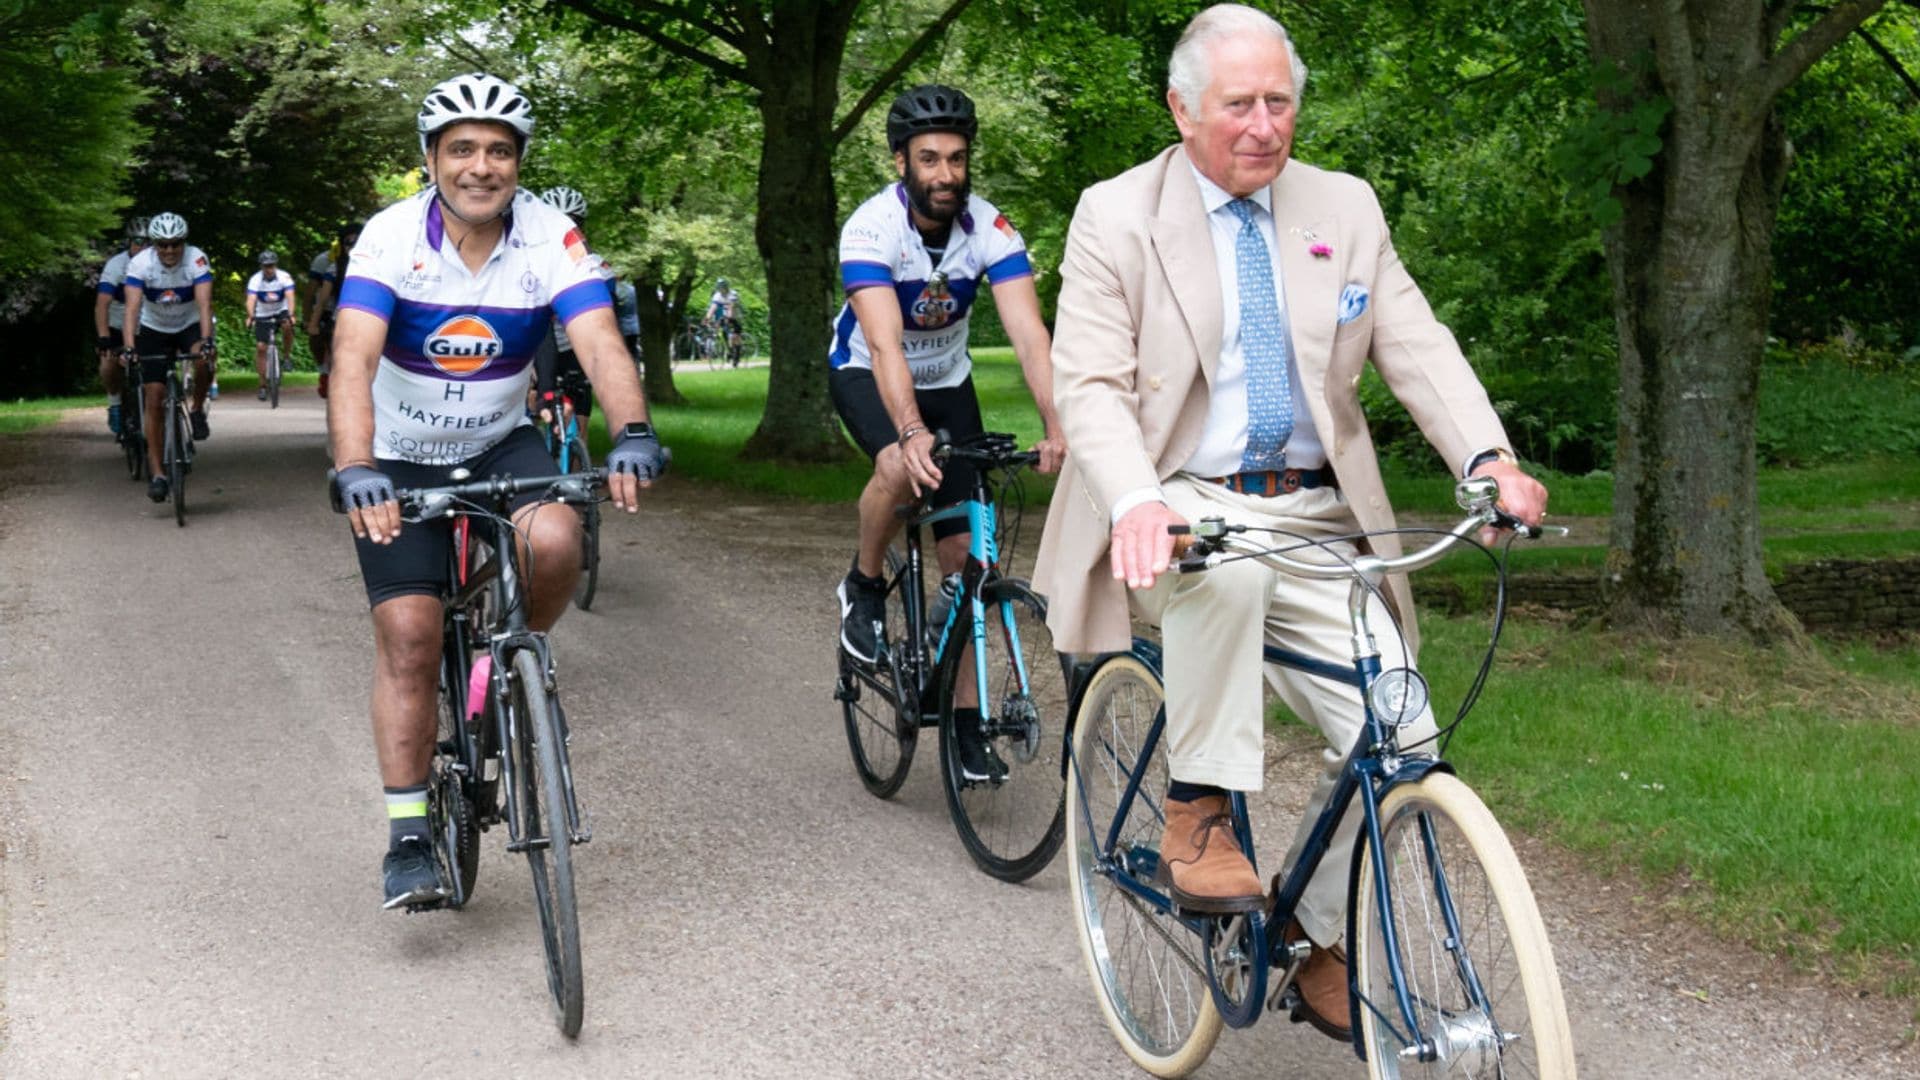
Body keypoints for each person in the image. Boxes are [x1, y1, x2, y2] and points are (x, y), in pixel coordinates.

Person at [1030, 3, 1548, 1041]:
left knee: (1401, 738)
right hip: (1177, 495)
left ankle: (1316, 934)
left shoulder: (1343, 208)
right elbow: (1088, 382)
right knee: (1221, 572)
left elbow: (1416, 344)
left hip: (1315, 516)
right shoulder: (1116, 214)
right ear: (1182, 109)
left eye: (1281, 101)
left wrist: (1486, 457)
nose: (1265, 124)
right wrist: (1134, 500)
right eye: (1239, 104)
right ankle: (1199, 808)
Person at [328, 73, 665, 910]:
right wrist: (356, 464)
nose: (482, 167)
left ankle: (502, 654)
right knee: (409, 633)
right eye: (463, 150)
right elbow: (352, 360)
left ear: (519, 162)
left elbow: (597, 341)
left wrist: (631, 430)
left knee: (556, 541)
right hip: (399, 456)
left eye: (500, 151)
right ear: (433, 160)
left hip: (499, 442)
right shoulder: (389, 236)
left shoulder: (552, 235)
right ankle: (408, 835)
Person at [829, 83, 1065, 782]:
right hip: (869, 373)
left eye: (957, 159)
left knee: (967, 560)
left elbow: (1028, 335)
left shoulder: (991, 229)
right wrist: (908, 430)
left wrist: (1058, 425)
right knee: (901, 473)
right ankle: (864, 584)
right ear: (901, 159)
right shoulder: (872, 230)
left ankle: (965, 725)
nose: (945, 175)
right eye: (929, 159)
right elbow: (885, 344)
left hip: (949, 381)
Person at [121, 211, 215, 503]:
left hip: (187, 325)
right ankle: (158, 473)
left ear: (183, 243)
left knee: (203, 360)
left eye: (175, 244)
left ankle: (197, 409)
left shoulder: (197, 259)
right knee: (154, 397)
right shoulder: (140, 264)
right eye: (163, 245)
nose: (170, 250)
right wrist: (128, 346)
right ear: (154, 245)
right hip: (154, 329)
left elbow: (204, 305)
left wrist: (207, 341)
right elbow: (132, 310)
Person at [530, 185, 604, 426]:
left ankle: (574, 459)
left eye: (571, 223)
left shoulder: (593, 265)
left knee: (579, 424)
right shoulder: (528, 262)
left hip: (575, 348)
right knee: (530, 401)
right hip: (535, 347)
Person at [95, 216, 149, 435]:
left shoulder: (160, 264)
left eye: (148, 242)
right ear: (129, 241)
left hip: (147, 325)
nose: (143, 246)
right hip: (118, 324)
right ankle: (115, 404)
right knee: (109, 364)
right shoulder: (116, 265)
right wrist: (104, 337)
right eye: (138, 241)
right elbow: (102, 304)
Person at [306, 222, 363, 399]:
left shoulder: (377, 265)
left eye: (357, 242)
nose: (352, 247)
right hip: (337, 313)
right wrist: (312, 323)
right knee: (325, 340)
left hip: (365, 314)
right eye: (349, 243)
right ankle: (326, 373)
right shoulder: (332, 266)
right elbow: (321, 299)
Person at [244, 251, 298, 400]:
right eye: (266, 266)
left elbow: (290, 296)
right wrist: (251, 316)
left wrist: (291, 314)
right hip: (263, 313)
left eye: (272, 265)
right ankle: (262, 385)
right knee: (261, 347)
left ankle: (286, 357)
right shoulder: (255, 279)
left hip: (281, 310)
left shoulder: (284, 277)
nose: (269, 269)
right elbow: (251, 299)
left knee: (287, 325)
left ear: (276, 265)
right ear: (261, 266)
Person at [704, 277, 742, 366]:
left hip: (736, 316)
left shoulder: (733, 294)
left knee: (735, 336)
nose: (721, 290)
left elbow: (731, 307)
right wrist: (707, 318)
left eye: (722, 288)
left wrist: (729, 317)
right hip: (725, 316)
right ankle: (728, 350)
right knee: (723, 332)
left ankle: (737, 354)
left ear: (726, 287)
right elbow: (713, 308)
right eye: (719, 288)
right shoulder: (717, 295)